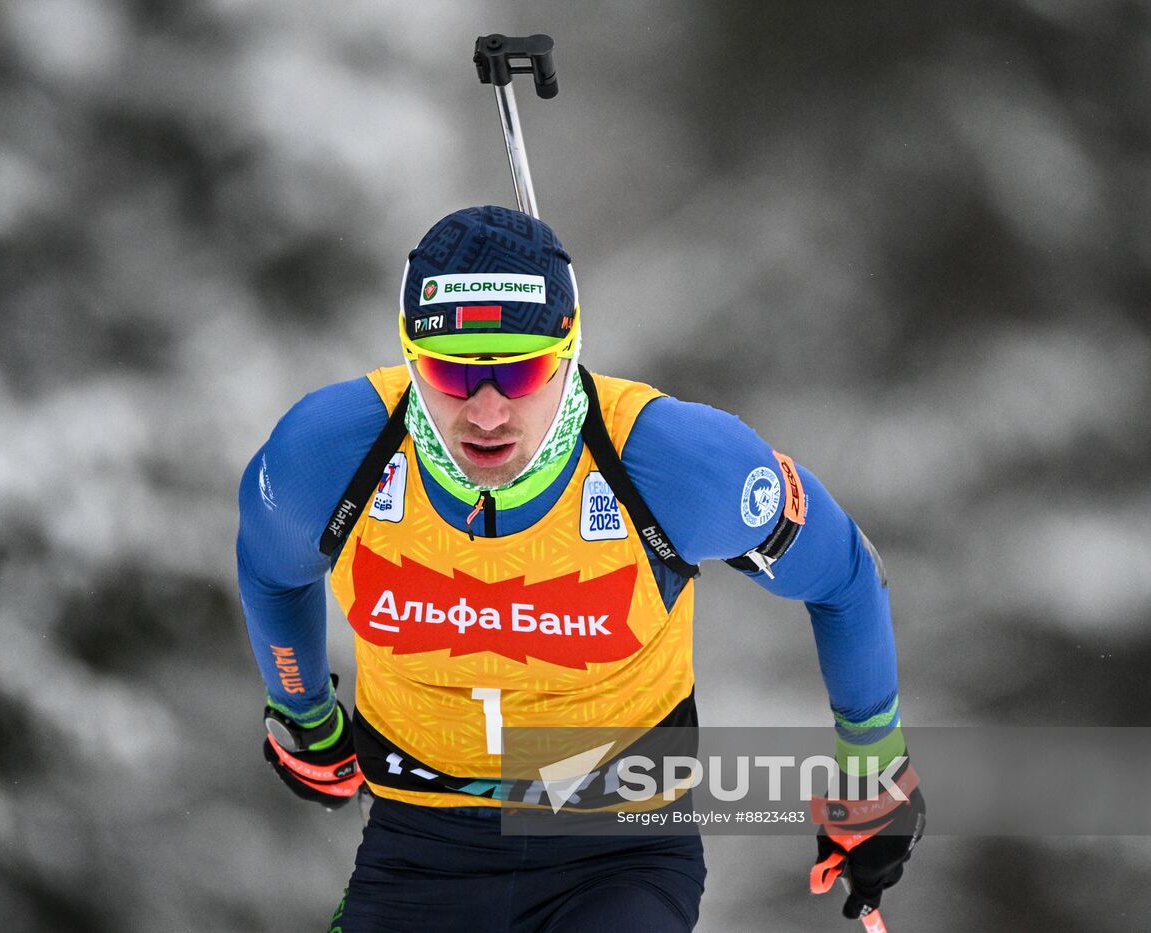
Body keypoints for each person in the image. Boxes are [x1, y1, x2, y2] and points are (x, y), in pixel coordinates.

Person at [238, 205, 923, 931]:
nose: (488, 413)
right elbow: (271, 570)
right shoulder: (330, 454)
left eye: (522, 370)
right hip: (417, 848)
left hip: (615, 849)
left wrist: (874, 767)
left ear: (569, 350)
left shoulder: (674, 464)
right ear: (409, 355)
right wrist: (304, 712)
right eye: (451, 373)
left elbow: (844, 575)